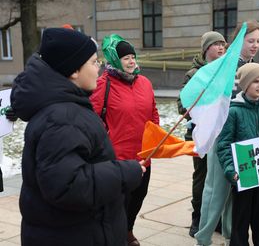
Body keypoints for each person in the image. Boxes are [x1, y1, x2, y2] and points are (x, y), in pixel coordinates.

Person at [10, 28, 144, 246]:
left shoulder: (66, 108)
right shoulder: (62, 117)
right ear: (74, 71)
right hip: (74, 234)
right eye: (93, 61)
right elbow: (68, 185)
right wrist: (125, 172)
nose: (99, 66)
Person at [195, 20, 259, 246]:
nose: (254, 45)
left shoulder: (255, 64)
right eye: (250, 40)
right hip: (222, 137)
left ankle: (227, 235)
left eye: (258, 41)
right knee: (216, 192)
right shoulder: (225, 65)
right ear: (239, 40)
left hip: (244, 139)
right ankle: (203, 238)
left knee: (236, 192)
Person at [90, 34, 159, 246]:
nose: (131, 61)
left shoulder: (144, 83)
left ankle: (128, 229)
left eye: (133, 56)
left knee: (138, 197)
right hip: (116, 158)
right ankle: (117, 236)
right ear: (114, 59)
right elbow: (92, 117)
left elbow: (153, 113)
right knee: (118, 203)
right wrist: (107, 141)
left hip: (143, 156)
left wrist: (156, 135)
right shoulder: (103, 84)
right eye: (126, 57)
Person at [217, 63, 259, 246]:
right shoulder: (233, 112)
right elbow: (223, 145)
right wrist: (230, 170)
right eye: (255, 81)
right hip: (243, 177)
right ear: (245, 84)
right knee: (240, 223)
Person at [177, 31, 226, 237]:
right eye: (217, 44)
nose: (221, 47)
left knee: (218, 179)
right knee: (202, 177)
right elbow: (182, 105)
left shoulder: (225, 71)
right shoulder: (194, 74)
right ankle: (197, 218)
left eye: (224, 44)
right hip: (201, 135)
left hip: (221, 134)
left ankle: (215, 219)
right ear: (207, 49)